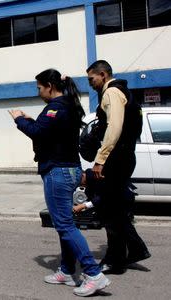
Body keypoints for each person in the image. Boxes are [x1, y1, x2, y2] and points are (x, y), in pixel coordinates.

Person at [9, 69, 110, 297]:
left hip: (58, 172)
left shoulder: (55, 107)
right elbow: (49, 132)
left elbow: (38, 133)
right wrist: (31, 121)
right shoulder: (70, 105)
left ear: (49, 86)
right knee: (65, 225)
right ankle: (66, 270)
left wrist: (18, 119)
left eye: (39, 87)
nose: (38, 92)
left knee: (65, 226)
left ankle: (94, 274)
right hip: (70, 169)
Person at [86, 60, 150, 273]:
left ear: (103, 75)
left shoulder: (111, 93)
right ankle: (130, 251)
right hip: (124, 156)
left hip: (115, 158)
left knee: (109, 209)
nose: (91, 84)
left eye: (92, 79)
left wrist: (100, 159)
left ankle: (118, 257)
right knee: (115, 208)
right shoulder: (124, 92)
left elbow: (113, 128)